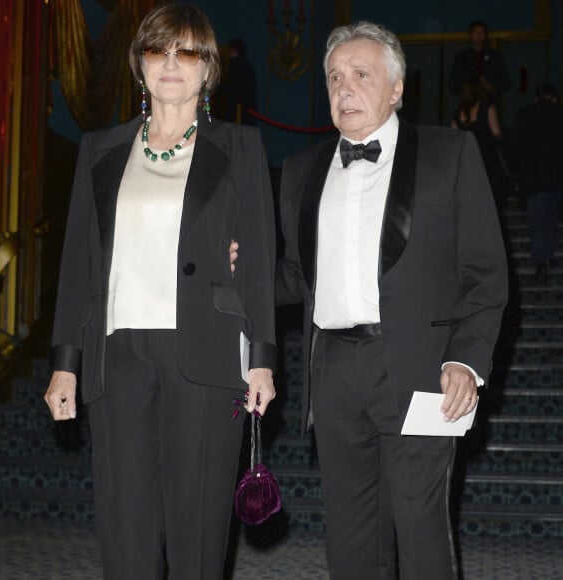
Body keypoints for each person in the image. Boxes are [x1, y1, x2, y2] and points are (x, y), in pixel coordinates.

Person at [233, 20, 508, 579]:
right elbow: (294, 277)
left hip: (424, 369)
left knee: (420, 528)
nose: (344, 88)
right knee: (351, 539)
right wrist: (235, 272)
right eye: (334, 78)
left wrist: (466, 360)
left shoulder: (451, 153)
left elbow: (486, 273)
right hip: (333, 371)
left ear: (397, 86)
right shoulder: (303, 171)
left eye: (361, 74)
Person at [43, 3, 277, 579]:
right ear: (139, 65)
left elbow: (261, 261)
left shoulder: (241, 149)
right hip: (116, 354)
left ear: (209, 70)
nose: (171, 62)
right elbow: (78, 263)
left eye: (188, 51)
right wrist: (64, 364)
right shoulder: (100, 150)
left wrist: (264, 362)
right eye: (158, 50)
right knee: (125, 525)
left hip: (206, 350)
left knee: (197, 529)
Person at [511, 83, 563, 284]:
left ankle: (541, 259)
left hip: (533, 177)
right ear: (554, 97)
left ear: (536, 97)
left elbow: (516, 146)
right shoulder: (559, 114)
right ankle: (547, 256)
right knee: (550, 219)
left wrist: (516, 175)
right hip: (556, 176)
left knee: (537, 221)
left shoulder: (525, 114)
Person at [451, 76, 511, 206]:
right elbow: (497, 134)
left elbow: (454, 140)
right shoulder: (487, 107)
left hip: (466, 166)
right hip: (488, 164)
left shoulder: (458, 113)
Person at [449, 20, 511, 103]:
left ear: (486, 35)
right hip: (469, 103)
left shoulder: (495, 56)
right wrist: (472, 87)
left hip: (491, 102)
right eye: (475, 33)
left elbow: (506, 82)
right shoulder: (461, 58)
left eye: (482, 33)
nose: (479, 36)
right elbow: (452, 85)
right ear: (470, 35)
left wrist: (491, 86)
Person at [220, 37, 257, 125]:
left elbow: (232, 87)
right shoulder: (246, 65)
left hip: (237, 109)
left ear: (233, 50)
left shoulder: (235, 65)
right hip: (245, 110)